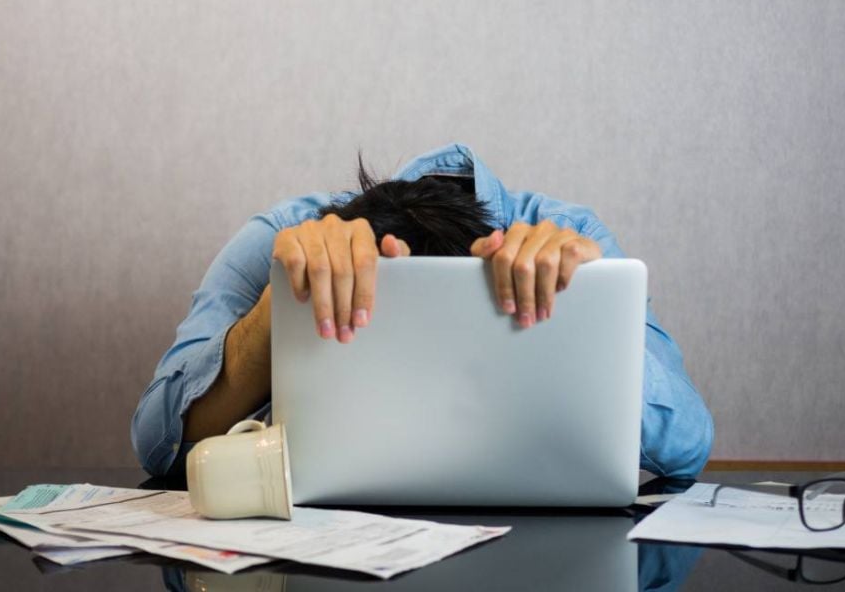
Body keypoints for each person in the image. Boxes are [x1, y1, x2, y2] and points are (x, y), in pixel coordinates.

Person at [132, 143, 713, 479]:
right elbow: (157, 440)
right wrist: (278, 303)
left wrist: (584, 318)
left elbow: (689, 443)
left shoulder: (571, 240)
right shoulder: (281, 239)